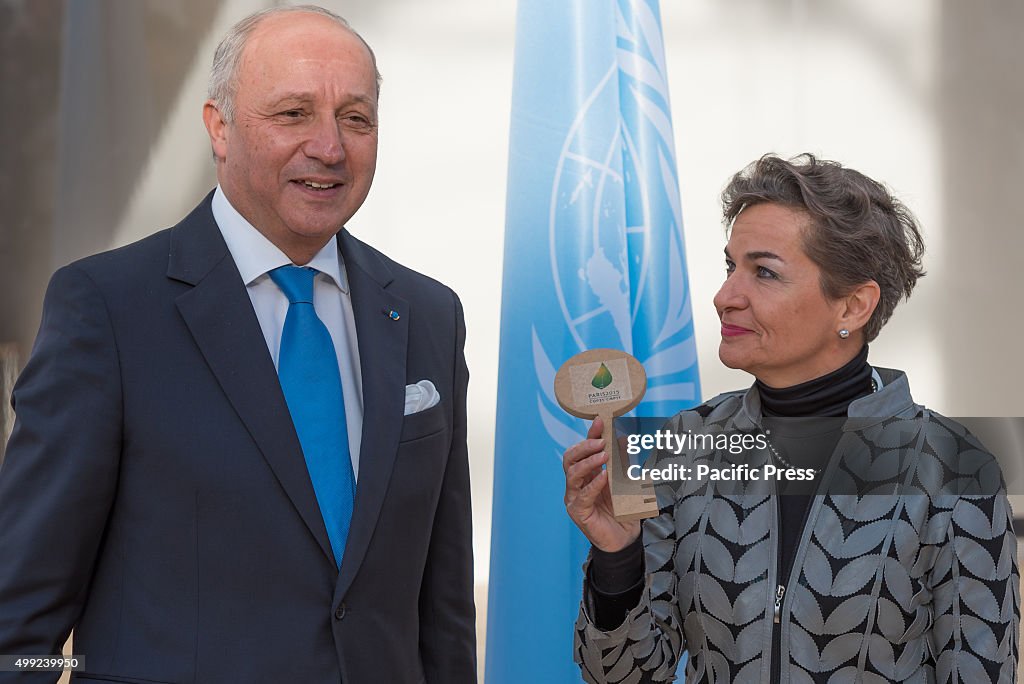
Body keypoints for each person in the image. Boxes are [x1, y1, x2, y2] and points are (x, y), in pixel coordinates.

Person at [0, 6, 475, 683]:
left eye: (355, 118)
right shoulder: (107, 311)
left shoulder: (429, 315)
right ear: (219, 128)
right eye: (292, 114)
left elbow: (444, 615)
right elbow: (20, 630)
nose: (330, 147)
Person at [564, 154, 1019, 683]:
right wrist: (617, 559)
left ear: (852, 307)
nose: (724, 297)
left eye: (764, 272)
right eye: (730, 266)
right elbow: (626, 677)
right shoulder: (687, 448)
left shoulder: (953, 465)